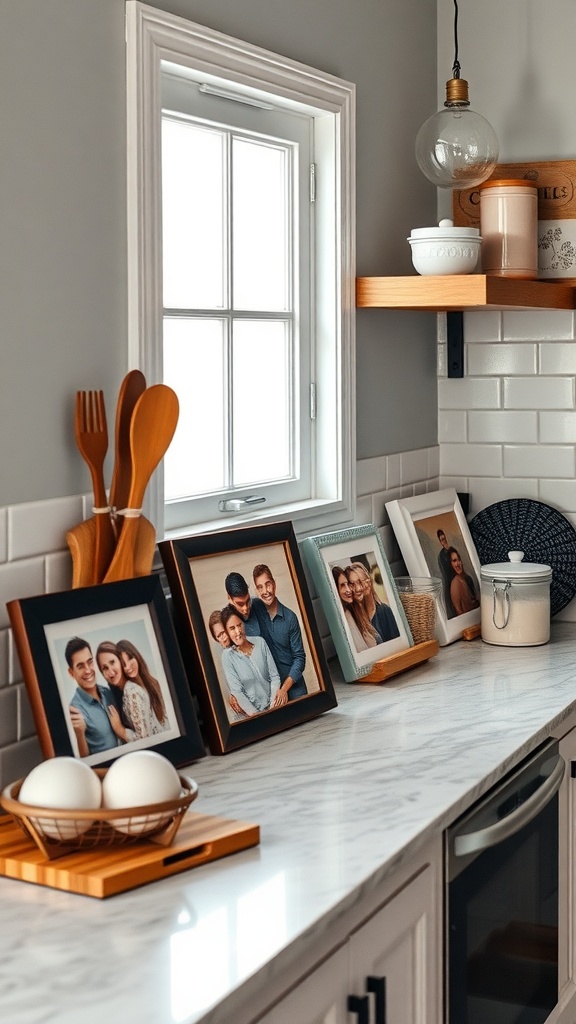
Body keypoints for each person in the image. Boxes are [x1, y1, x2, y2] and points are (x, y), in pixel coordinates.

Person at [252, 563, 307, 704]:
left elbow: (299, 659)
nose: (265, 591)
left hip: (294, 688)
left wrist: (283, 689)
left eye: (268, 584)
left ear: (274, 584)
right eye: (260, 587)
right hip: (270, 690)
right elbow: (234, 610)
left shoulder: (290, 617)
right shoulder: (254, 608)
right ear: (256, 590)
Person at [66, 636, 123, 756]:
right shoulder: (76, 709)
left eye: (90, 662)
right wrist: (80, 735)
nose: (88, 670)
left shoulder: (108, 692)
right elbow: (86, 760)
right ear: (71, 673)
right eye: (80, 666)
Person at [220, 605, 281, 715]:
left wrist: (273, 707)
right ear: (227, 632)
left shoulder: (260, 642)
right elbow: (237, 692)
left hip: (275, 707)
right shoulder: (227, 657)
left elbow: (275, 677)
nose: (238, 631)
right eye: (232, 628)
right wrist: (256, 715)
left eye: (239, 625)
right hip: (253, 715)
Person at [114, 638, 169, 737]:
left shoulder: (153, 683)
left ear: (136, 656)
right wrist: (121, 731)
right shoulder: (131, 690)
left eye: (130, 658)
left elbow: (164, 720)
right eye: (123, 664)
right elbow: (143, 736)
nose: (128, 667)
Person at [347, 561, 400, 643]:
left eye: (360, 582)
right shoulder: (353, 618)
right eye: (352, 584)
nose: (358, 588)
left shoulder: (384, 611)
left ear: (369, 582)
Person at [332, 565, 379, 653]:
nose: (348, 590)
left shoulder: (353, 611)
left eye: (348, 584)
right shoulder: (343, 617)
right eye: (342, 585)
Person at [207, 609, 244, 717]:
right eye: (218, 636)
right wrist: (231, 696)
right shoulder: (220, 654)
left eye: (223, 633)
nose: (222, 638)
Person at [447, 546, 480, 617]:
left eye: (459, 560)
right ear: (450, 564)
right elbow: (459, 611)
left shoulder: (467, 578)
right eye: (454, 561)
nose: (457, 564)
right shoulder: (455, 583)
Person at [437, 529, 455, 618]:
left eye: (444, 538)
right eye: (441, 540)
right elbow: (445, 570)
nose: (443, 541)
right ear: (440, 541)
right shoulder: (441, 555)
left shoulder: (452, 550)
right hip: (449, 581)